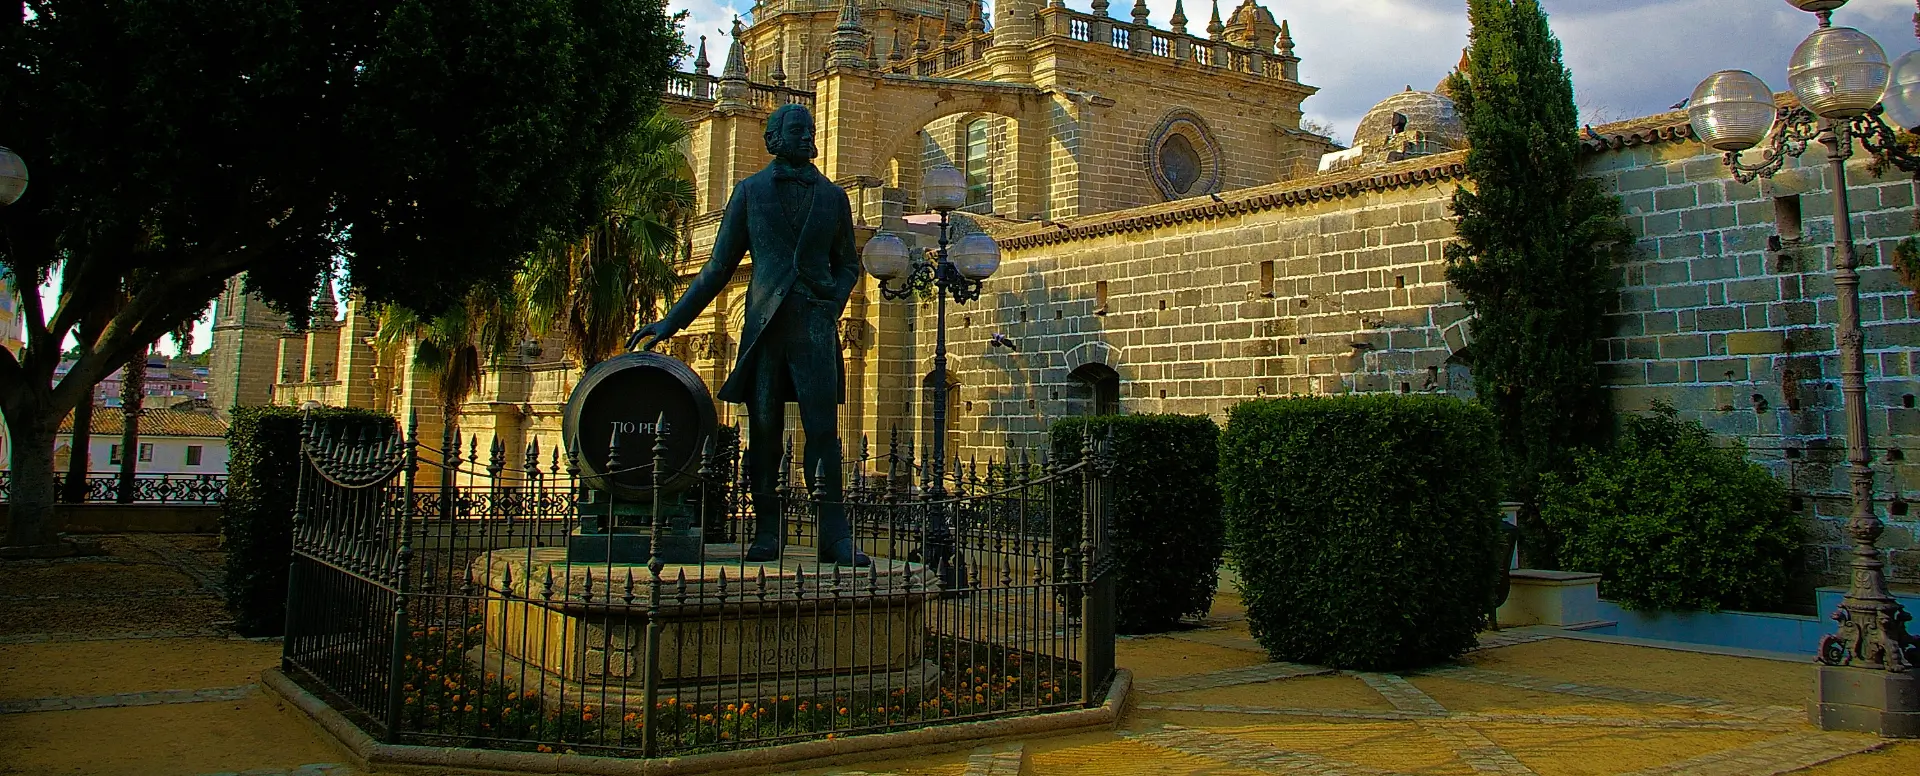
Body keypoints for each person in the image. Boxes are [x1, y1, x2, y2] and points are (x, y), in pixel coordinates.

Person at [628, 103, 868, 567]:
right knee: (764, 434)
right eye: (797, 130)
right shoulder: (750, 192)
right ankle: (766, 531)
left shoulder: (834, 197)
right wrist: (670, 322)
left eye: (810, 130)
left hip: (816, 329)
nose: (807, 136)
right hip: (764, 330)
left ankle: (834, 536)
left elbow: (848, 264)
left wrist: (833, 303)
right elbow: (717, 269)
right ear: (774, 139)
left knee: (824, 433)